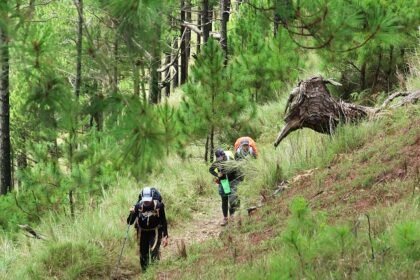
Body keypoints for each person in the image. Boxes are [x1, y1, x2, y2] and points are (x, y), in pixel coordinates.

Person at [127, 187, 169, 272]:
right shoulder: (138, 206)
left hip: (155, 231)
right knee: (143, 253)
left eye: (148, 200)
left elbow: (163, 221)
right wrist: (132, 213)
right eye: (145, 200)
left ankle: (154, 272)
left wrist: (165, 236)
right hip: (142, 232)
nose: (146, 202)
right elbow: (130, 222)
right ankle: (145, 273)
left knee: (154, 251)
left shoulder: (159, 206)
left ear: (152, 198)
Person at [209, 148, 241, 226]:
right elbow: (211, 169)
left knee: (232, 198)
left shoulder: (230, 159)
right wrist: (217, 175)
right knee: (224, 199)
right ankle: (225, 218)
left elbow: (237, 168)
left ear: (223, 155)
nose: (220, 159)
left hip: (232, 180)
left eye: (221, 157)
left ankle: (232, 216)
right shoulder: (217, 162)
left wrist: (238, 178)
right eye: (218, 158)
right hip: (224, 182)